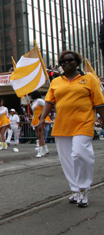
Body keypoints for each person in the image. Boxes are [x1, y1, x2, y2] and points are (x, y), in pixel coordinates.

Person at [39, 51, 104, 208]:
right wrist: (42, 118)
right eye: (63, 61)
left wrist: (103, 120)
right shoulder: (55, 81)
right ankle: (75, 190)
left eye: (70, 60)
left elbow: (99, 102)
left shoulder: (89, 79)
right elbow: (49, 101)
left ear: (77, 62)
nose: (66, 63)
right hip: (62, 124)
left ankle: (83, 189)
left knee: (80, 154)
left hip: (84, 122)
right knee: (67, 160)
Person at [29, 90, 52, 157]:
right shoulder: (34, 102)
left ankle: (40, 151)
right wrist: (29, 104)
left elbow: (46, 107)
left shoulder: (40, 100)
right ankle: (45, 149)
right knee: (38, 135)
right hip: (35, 119)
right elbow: (31, 112)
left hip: (40, 118)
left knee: (40, 134)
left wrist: (42, 116)